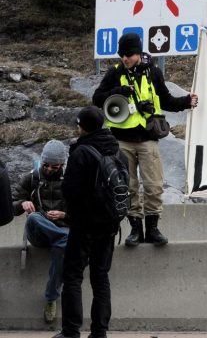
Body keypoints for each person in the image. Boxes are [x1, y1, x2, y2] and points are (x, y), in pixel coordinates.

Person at [92, 32, 198, 247]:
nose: (125, 59)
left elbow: (166, 100)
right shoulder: (115, 73)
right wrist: (118, 91)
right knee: (128, 186)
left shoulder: (154, 72)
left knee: (154, 185)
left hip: (148, 138)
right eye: (122, 55)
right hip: (121, 140)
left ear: (139, 52)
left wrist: (186, 101)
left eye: (129, 54)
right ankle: (134, 230)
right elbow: (97, 99)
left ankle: (153, 229)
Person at [54, 106, 124, 338]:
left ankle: (71, 331)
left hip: (85, 225)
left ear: (82, 126)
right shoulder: (116, 150)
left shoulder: (81, 152)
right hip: (109, 224)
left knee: (73, 276)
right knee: (101, 278)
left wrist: (72, 216)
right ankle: (99, 332)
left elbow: (70, 191)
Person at [12, 139, 69, 323]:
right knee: (34, 217)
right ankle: (66, 237)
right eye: (46, 165)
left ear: (62, 164)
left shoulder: (71, 180)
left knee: (63, 245)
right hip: (40, 233)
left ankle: (51, 298)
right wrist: (22, 203)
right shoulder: (32, 177)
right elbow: (10, 205)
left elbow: (85, 211)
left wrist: (63, 215)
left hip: (61, 232)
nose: (50, 169)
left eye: (55, 166)